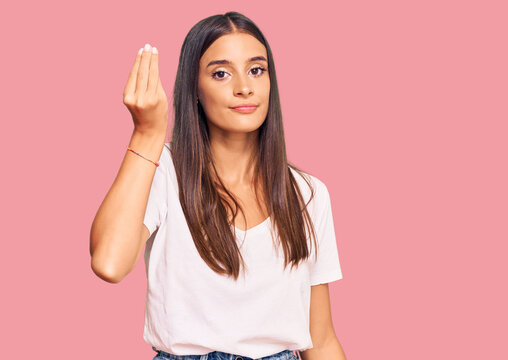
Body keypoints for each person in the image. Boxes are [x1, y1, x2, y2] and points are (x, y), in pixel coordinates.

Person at [89, 11, 346, 360]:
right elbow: (109, 263)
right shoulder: (162, 171)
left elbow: (322, 338)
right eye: (221, 73)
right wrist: (147, 134)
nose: (244, 86)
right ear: (194, 87)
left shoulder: (306, 193)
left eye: (256, 69)